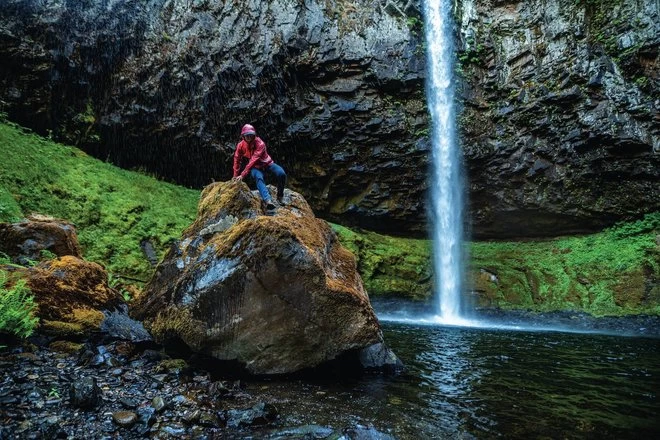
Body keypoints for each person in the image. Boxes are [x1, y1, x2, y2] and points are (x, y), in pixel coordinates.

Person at [232, 123, 287, 210]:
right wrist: (235, 176)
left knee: (281, 174)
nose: (249, 137)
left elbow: (254, 159)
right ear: (243, 136)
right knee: (258, 177)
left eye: (251, 135)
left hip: (267, 164)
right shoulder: (240, 145)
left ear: (254, 135)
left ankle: (280, 196)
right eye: (247, 136)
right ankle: (268, 200)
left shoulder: (260, 144)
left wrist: (242, 175)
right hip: (256, 168)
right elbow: (237, 159)